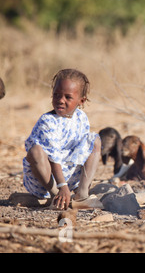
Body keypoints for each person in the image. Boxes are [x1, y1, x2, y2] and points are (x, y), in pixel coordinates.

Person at [22, 69, 102, 210]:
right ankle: (55, 197)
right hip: (45, 181)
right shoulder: (48, 122)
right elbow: (54, 158)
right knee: (35, 151)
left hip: (69, 178)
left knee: (95, 140)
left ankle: (82, 194)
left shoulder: (81, 118)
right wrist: (61, 186)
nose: (60, 100)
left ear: (81, 101)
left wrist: (68, 185)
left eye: (68, 97)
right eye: (56, 95)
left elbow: (82, 151)